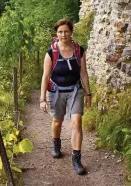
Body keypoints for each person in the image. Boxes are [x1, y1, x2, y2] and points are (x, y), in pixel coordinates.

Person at [39, 19, 91, 175]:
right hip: (56, 92)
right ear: (56, 33)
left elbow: (83, 73)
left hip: (75, 90)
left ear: (71, 32)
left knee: (77, 122)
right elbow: (45, 76)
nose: (63, 34)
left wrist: (88, 93)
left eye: (66, 31)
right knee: (57, 121)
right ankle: (56, 144)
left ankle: (76, 159)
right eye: (60, 31)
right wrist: (42, 99)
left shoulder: (79, 51)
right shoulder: (51, 53)